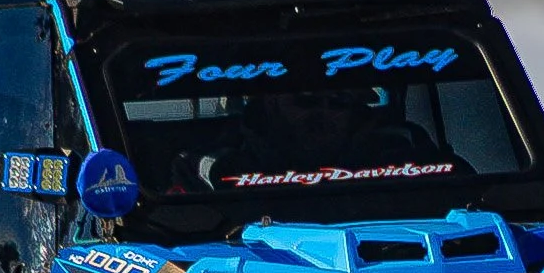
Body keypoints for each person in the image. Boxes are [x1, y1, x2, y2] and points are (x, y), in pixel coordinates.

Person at [167, 85, 465, 192]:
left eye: (337, 103)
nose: (322, 114)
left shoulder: (405, 153)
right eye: (306, 101)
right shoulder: (213, 166)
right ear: (270, 104)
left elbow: (480, 200)